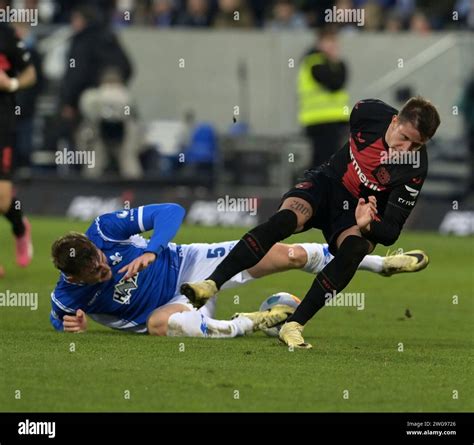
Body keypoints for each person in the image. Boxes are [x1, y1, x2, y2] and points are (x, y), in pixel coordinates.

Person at [180, 96, 441, 348]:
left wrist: (368, 225)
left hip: (357, 212)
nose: (406, 149)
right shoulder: (367, 112)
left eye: (416, 145)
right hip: (326, 185)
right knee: (284, 221)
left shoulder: (415, 169)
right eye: (404, 138)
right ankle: (211, 284)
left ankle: (293, 325)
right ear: (394, 122)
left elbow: (392, 231)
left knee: (354, 250)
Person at [49, 203, 428, 336]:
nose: (104, 269)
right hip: (160, 309)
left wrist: (151, 249)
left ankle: (379, 263)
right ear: (73, 277)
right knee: (166, 327)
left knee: (291, 255)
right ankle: (250, 322)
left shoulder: (102, 230)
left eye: (101, 261)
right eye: (96, 274)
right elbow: (58, 319)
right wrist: (73, 325)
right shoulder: (67, 294)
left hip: (188, 264)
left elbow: (171, 212)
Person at [0, 22, 36, 272]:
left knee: (2, 200)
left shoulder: (6, 35)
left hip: (1, 122)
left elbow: (30, 74)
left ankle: (20, 227)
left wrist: (10, 84)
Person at [298, 27, 350, 169]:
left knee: (330, 161)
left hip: (335, 119)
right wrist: (336, 62)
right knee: (321, 161)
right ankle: (310, 189)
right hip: (318, 119)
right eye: (329, 42)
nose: (333, 46)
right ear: (319, 43)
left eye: (334, 42)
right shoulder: (314, 61)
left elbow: (341, 79)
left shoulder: (335, 63)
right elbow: (334, 83)